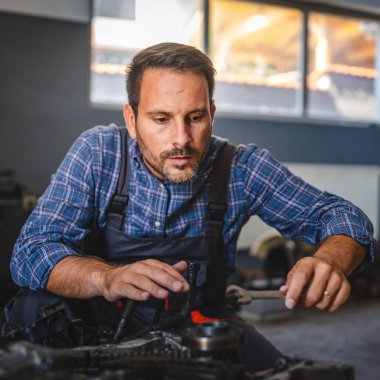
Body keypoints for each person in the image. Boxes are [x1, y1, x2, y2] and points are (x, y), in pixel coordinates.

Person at [6, 43, 374, 372]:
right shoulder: (98, 153)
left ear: (212, 112)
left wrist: (332, 259)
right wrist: (105, 277)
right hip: (95, 325)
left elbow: (341, 216)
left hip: (201, 325)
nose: (181, 139)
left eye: (195, 118)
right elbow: (31, 252)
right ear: (132, 120)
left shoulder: (241, 168)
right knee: (33, 315)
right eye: (161, 119)